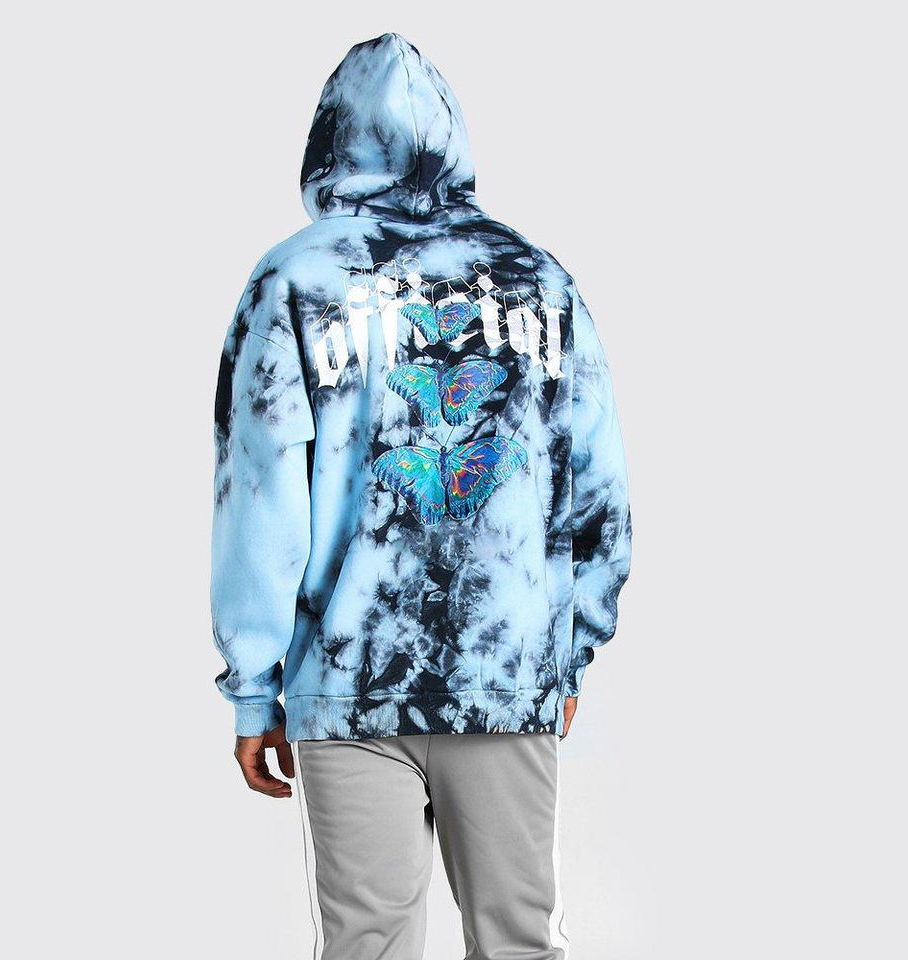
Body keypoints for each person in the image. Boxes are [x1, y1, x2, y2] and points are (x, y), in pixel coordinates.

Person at [211, 33, 631, 960]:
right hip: (503, 671)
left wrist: (254, 690)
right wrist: (567, 654)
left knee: (368, 946)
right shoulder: (539, 280)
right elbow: (599, 490)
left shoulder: (294, 280)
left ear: (330, 142)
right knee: (519, 942)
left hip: (348, 678)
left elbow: (258, 498)